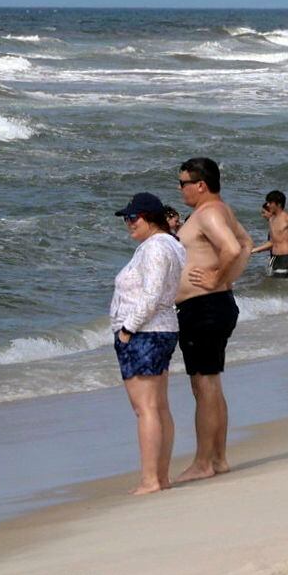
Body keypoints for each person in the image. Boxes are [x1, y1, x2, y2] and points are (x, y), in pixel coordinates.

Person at [173, 157, 249, 482]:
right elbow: (246, 244)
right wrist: (227, 279)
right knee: (211, 383)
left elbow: (232, 248)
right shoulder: (222, 211)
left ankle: (204, 462)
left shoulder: (209, 213)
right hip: (214, 305)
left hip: (204, 307)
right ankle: (218, 459)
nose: (180, 189)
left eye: (183, 183)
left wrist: (217, 278)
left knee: (203, 384)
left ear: (200, 185)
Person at [109, 192, 184, 495]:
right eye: (127, 219)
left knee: (147, 409)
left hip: (146, 333)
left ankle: (151, 479)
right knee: (158, 407)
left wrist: (128, 328)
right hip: (159, 330)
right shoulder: (169, 245)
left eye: (132, 218)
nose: (128, 224)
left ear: (150, 218)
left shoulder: (154, 247)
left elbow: (152, 294)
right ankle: (160, 477)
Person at [252, 190, 288, 277]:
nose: (268, 205)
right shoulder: (271, 219)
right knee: (272, 286)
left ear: (279, 204)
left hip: (285, 258)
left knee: (281, 287)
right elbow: (272, 242)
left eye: (270, 202)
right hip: (274, 258)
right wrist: (253, 250)